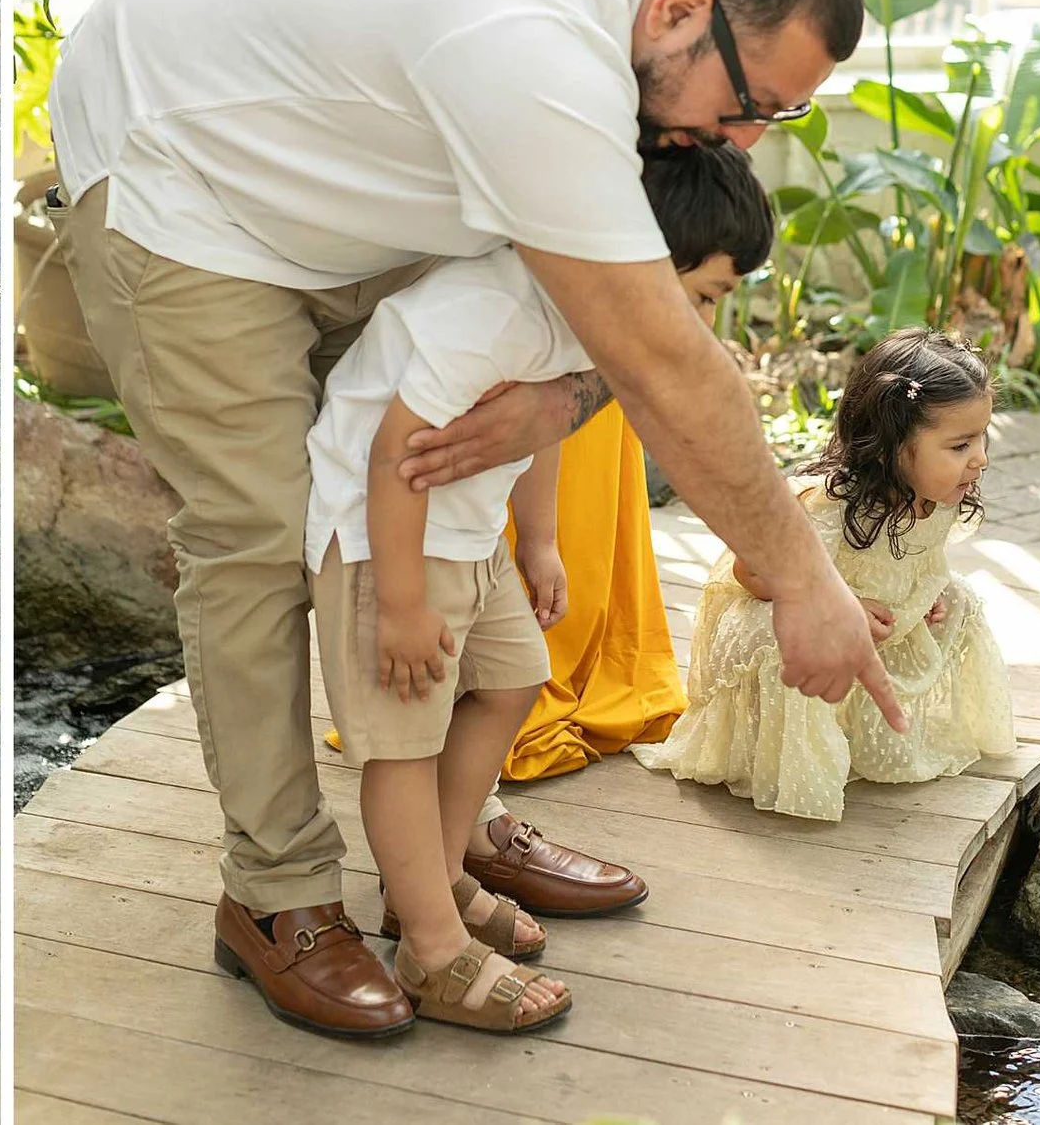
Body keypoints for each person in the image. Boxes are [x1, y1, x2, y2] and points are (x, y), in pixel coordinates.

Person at [47, 0, 906, 1040]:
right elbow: (662, 356)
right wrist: (800, 579)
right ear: (681, 8)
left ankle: (440, 845)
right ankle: (279, 897)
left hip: (347, 166)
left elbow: (601, 330)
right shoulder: (527, 39)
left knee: (456, 536)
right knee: (255, 532)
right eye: (749, 104)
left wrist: (556, 403)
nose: (743, 141)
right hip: (181, 173)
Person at [322, 0, 734, 905]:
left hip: (619, 96)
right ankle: (447, 788)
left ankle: (518, 735)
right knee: (467, 386)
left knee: (587, 386)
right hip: (478, 86)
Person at [303, 144, 773, 1033]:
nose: (706, 323)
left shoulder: (581, 310)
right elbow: (393, 453)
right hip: (382, 540)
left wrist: (543, 541)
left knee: (514, 677)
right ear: (641, 261)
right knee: (401, 741)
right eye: (704, 296)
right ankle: (434, 951)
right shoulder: (487, 310)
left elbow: (547, 420)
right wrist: (400, 605)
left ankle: (431, 887)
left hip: (466, 533)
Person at [634, 330, 1016, 821]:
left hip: (878, 622)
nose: (980, 458)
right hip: (789, 613)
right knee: (774, 636)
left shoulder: (937, 495)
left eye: (982, 437)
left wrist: (930, 591)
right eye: (961, 444)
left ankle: (869, 735)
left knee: (961, 597)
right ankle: (790, 754)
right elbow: (751, 572)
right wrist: (839, 606)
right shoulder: (829, 504)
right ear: (890, 444)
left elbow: (916, 559)